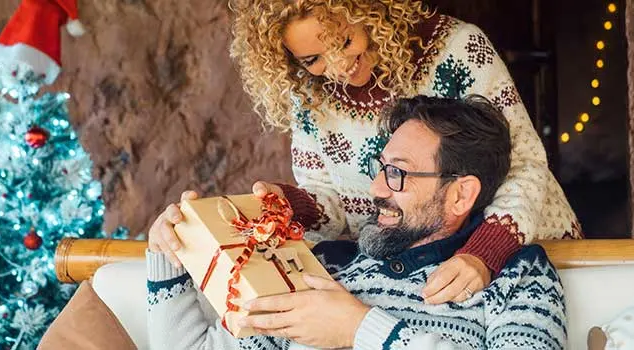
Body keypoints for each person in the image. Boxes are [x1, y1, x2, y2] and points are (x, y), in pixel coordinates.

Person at [148, 0, 580, 304]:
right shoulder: (310, 96)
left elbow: (524, 165)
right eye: (313, 59)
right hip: (410, 271)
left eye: (343, 42)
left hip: (521, 253)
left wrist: (483, 253)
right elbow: (332, 205)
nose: (336, 68)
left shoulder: (458, 48)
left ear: (368, 11)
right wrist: (286, 206)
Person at [146, 95, 567, 349]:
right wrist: (168, 257)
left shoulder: (517, 276)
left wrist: (358, 328)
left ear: (461, 194)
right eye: (380, 168)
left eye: (397, 173)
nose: (375, 189)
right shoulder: (324, 265)